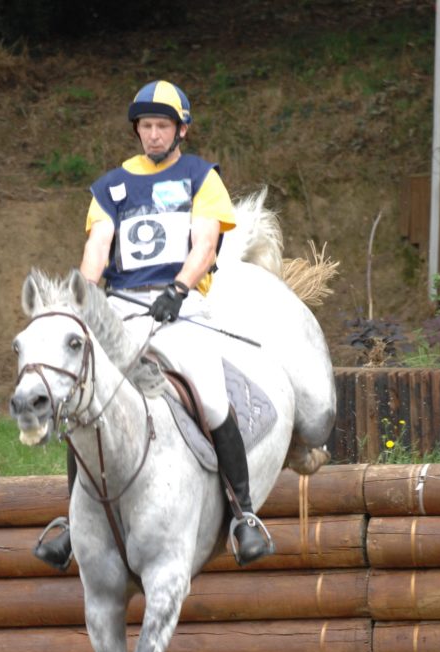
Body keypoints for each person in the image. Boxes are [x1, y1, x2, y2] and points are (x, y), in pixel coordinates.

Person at [34, 80, 272, 571]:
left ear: (180, 128)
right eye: (146, 126)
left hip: (181, 307)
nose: (154, 135)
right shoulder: (111, 186)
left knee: (209, 394)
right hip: (121, 307)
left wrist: (180, 289)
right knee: (87, 397)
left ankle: (243, 516)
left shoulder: (201, 177)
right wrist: (83, 297)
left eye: (162, 125)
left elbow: (205, 246)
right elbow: (98, 248)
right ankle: (73, 524)